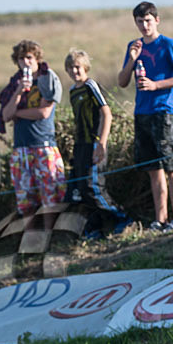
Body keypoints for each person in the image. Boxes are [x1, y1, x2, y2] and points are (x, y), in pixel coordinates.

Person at [117, 1, 173, 232]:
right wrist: (131, 58)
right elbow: (122, 82)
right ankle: (160, 219)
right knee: (153, 169)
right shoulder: (134, 45)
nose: (144, 25)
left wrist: (156, 84)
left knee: (171, 167)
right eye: (140, 21)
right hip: (142, 113)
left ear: (157, 20)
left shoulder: (168, 44)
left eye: (148, 20)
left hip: (163, 112)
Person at [64, 48, 131, 237]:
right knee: (80, 189)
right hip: (80, 145)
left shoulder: (91, 85)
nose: (74, 71)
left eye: (77, 67)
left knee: (94, 186)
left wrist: (101, 143)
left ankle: (122, 218)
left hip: (94, 143)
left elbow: (106, 113)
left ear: (85, 67)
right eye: (70, 68)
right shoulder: (72, 91)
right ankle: (96, 228)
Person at [0, 39, 65, 226]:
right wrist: (19, 91)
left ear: (36, 58)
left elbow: (43, 112)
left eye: (29, 57)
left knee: (50, 197)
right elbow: (5, 115)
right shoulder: (15, 82)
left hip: (43, 145)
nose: (25, 62)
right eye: (21, 59)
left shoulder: (47, 77)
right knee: (25, 200)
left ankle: (50, 235)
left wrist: (18, 113)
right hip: (21, 147)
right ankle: (30, 240)